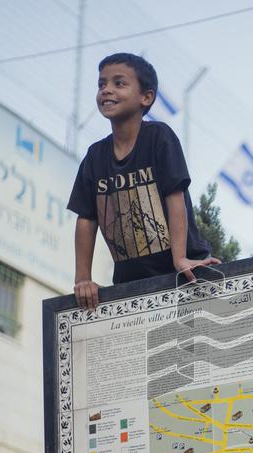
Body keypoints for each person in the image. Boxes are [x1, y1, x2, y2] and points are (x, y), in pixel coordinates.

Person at [67, 53, 219, 310]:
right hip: (131, 283)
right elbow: (86, 218)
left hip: (185, 272)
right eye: (101, 84)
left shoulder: (159, 137)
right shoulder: (95, 156)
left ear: (146, 97)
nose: (107, 90)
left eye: (119, 83)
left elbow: (175, 197)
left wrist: (180, 258)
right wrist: (83, 279)